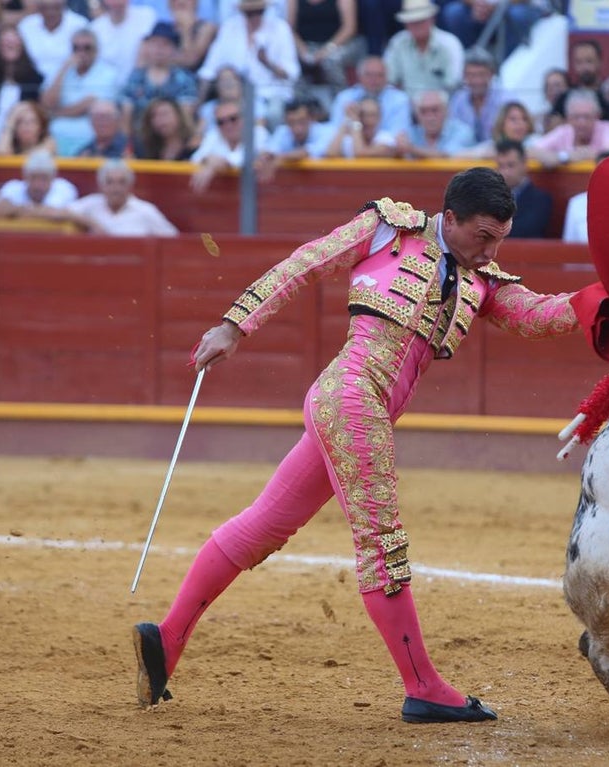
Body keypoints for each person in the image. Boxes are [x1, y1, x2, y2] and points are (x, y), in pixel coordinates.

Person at [129, 165, 580, 724]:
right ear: (451, 217)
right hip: (351, 398)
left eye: (500, 240)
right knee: (380, 540)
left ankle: (165, 641)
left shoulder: (480, 280)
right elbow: (306, 264)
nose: (489, 251)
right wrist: (234, 325)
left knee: (264, 524)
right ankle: (423, 686)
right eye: (482, 236)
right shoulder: (388, 228)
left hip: (357, 409)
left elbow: (541, 315)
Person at [197, 0, 300, 129]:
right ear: (243, 12)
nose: (255, 17)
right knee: (210, 113)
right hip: (236, 96)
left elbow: (292, 74)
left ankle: (270, 147)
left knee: (274, 114)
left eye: (259, 12)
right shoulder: (230, 27)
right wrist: (198, 104)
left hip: (271, 93)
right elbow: (209, 70)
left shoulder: (280, 28)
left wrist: (268, 63)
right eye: (250, 13)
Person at [40, 28, 119, 156]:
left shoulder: (108, 74)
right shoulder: (60, 69)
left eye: (87, 48)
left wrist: (54, 114)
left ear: (96, 50)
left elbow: (90, 106)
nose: (81, 52)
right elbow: (47, 104)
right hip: (55, 137)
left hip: (90, 139)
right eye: (76, 48)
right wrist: (64, 69)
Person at [119, 21, 200, 137]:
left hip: (174, 140)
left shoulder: (184, 79)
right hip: (140, 139)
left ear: (174, 49)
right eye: (155, 43)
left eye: (165, 44)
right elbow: (126, 115)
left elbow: (185, 117)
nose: (159, 49)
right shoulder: (135, 77)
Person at [67, 158, 179, 235]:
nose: (116, 189)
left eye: (122, 182)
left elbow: (173, 239)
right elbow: (54, 211)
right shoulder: (91, 204)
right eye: (109, 182)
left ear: (130, 186)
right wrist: (91, 222)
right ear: (101, 186)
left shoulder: (146, 211)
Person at [381, 0, 463, 98]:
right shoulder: (397, 42)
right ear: (406, 24)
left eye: (421, 21)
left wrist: (430, 103)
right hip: (405, 105)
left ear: (432, 19)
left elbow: (453, 84)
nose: (417, 26)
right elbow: (389, 80)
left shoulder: (450, 44)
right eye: (412, 21)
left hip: (441, 106)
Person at [187, 97, 271, 192]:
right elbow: (194, 160)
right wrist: (208, 160)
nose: (228, 125)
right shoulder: (214, 135)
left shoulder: (259, 133)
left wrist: (217, 162)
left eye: (233, 119)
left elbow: (243, 161)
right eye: (221, 122)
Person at [528, 89, 609, 168]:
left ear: (597, 117)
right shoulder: (564, 131)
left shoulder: (608, 128)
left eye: (587, 117)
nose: (582, 123)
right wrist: (565, 157)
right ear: (568, 119)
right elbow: (529, 151)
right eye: (576, 117)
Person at [0, 23, 45, 125]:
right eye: (5, 42)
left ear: (21, 45)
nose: (10, 45)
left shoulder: (34, 78)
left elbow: (37, 111)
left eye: (13, 41)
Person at [287, 0, 360, 100]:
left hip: (337, 44)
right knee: (291, 60)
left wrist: (326, 50)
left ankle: (341, 102)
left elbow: (349, 28)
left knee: (331, 61)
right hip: (306, 45)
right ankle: (299, 104)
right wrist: (302, 50)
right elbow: (289, 28)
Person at [327, 55, 412, 136]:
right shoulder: (345, 97)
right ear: (359, 76)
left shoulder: (400, 99)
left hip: (385, 148)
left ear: (387, 78)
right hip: (350, 146)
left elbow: (397, 134)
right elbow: (335, 131)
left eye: (379, 75)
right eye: (369, 75)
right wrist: (355, 124)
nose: (374, 79)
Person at [0, 147, 79, 221]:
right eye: (33, 178)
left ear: (52, 178)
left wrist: (16, 210)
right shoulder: (13, 187)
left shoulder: (64, 188)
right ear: (25, 177)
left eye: (43, 178)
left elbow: (55, 214)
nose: (37, 185)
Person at [255, 96, 334, 180]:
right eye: (291, 123)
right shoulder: (282, 131)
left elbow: (306, 152)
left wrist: (278, 158)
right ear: (285, 121)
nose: (297, 129)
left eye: (301, 121)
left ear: (312, 118)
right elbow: (269, 152)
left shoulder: (326, 132)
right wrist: (266, 157)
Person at [437, 0, 545, 59]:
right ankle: (470, 64)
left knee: (517, 15)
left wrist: (496, 6)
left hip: (520, 5)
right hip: (482, 7)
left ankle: (506, 63)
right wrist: (476, 4)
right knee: (454, 13)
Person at [89, 0, 159, 90]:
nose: (117, 3)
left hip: (140, 89)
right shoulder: (95, 29)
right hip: (107, 91)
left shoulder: (147, 16)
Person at [16, 0, 89, 83]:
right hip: (31, 83)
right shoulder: (26, 25)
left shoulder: (80, 25)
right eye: (45, 8)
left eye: (55, 7)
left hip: (70, 82)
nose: (50, 12)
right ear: (39, 7)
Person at [447, 47, 505, 145]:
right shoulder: (458, 100)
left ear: (491, 74)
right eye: (471, 75)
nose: (477, 81)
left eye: (481, 74)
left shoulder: (505, 100)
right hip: (464, 156)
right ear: (464, 76)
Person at [394, 88, 474, 159]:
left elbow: (447, 157)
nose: (430, 117)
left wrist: (411, 149)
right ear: (416, 114)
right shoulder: (411, 133)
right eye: (423, 111)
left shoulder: (462, 131)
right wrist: (398, 151)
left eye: (435, 110)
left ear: (446, 111)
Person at [495, 138, 550, 238]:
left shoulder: (541, 199)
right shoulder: (490, 198)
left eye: (511, 165)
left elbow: (525, 230)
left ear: (524, 164)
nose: (505, 172)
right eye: (501, 166)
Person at [456, 99, 537, 158]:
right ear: (502, 124)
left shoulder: (535, 143)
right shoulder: (491, 147)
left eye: (524, 119)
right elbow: (459, 155)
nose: (520, 124)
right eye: (513, 119)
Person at [323, 94, 397, 158]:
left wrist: (355, 123)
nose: (368, 121)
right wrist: (348, 119)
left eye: (372, 115)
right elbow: (330, 154)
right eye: (363, 115)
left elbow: (360, 154)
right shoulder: (351, 139)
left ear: (379, 118)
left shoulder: (386, 138)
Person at [134, 97, 198, 159]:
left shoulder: (195, 147)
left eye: (164, 114)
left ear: (179, 116)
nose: (159, 120)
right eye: (153, 116)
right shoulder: (145, 149)